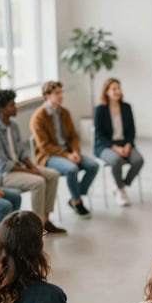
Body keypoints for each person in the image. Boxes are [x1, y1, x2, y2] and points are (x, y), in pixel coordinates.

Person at [0, 90, 65, 234]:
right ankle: (38, 227)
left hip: (18, 168)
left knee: (52, 175)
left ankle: (45, 219)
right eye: (11, 105)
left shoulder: (13, 125)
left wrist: (33, 167)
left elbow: (22, 152)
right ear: (1, 109)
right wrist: (31, 172)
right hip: (3, 174)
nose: (16, 107)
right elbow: (3, 165)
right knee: (38, 182)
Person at [30, 81, 99, 219]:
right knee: (71, 169)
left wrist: (75, 152)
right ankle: (77, 201)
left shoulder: (65, 112)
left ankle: (75, 197)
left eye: (61, 92)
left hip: (68, 152)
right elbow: (44, 146)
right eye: (57, 93)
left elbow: (73, 135)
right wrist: (67, 155)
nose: (61, 95)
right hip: (48, 156)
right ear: (47, 96)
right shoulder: (38, 117)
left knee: (93, 165)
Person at [94, 78, 144, 206]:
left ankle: (120, 186)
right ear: (106, 92)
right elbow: (99, 135)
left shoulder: (126, 107)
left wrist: (127, 145)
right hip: (105, 145)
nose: (117, 91)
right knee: (117, 160)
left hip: (124, 143)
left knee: (138, 160)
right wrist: (115, 148)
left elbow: (132, 131)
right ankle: (121, 190)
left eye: (118, 88)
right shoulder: (100, 110)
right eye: (113, 89)